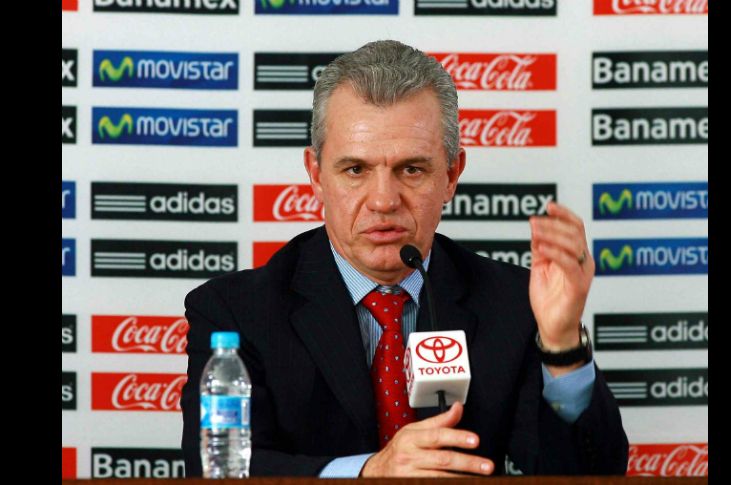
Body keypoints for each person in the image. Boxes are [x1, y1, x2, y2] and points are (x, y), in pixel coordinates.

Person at [181, 40, 628, 477]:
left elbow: (593, 473)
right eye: (355, 170)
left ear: (451, 175)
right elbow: (216, 470)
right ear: (316, 176)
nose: (383, 201)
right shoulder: (235, 311)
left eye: (411, 170)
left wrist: (562, 345)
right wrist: (368, 472)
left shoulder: (513, 302)